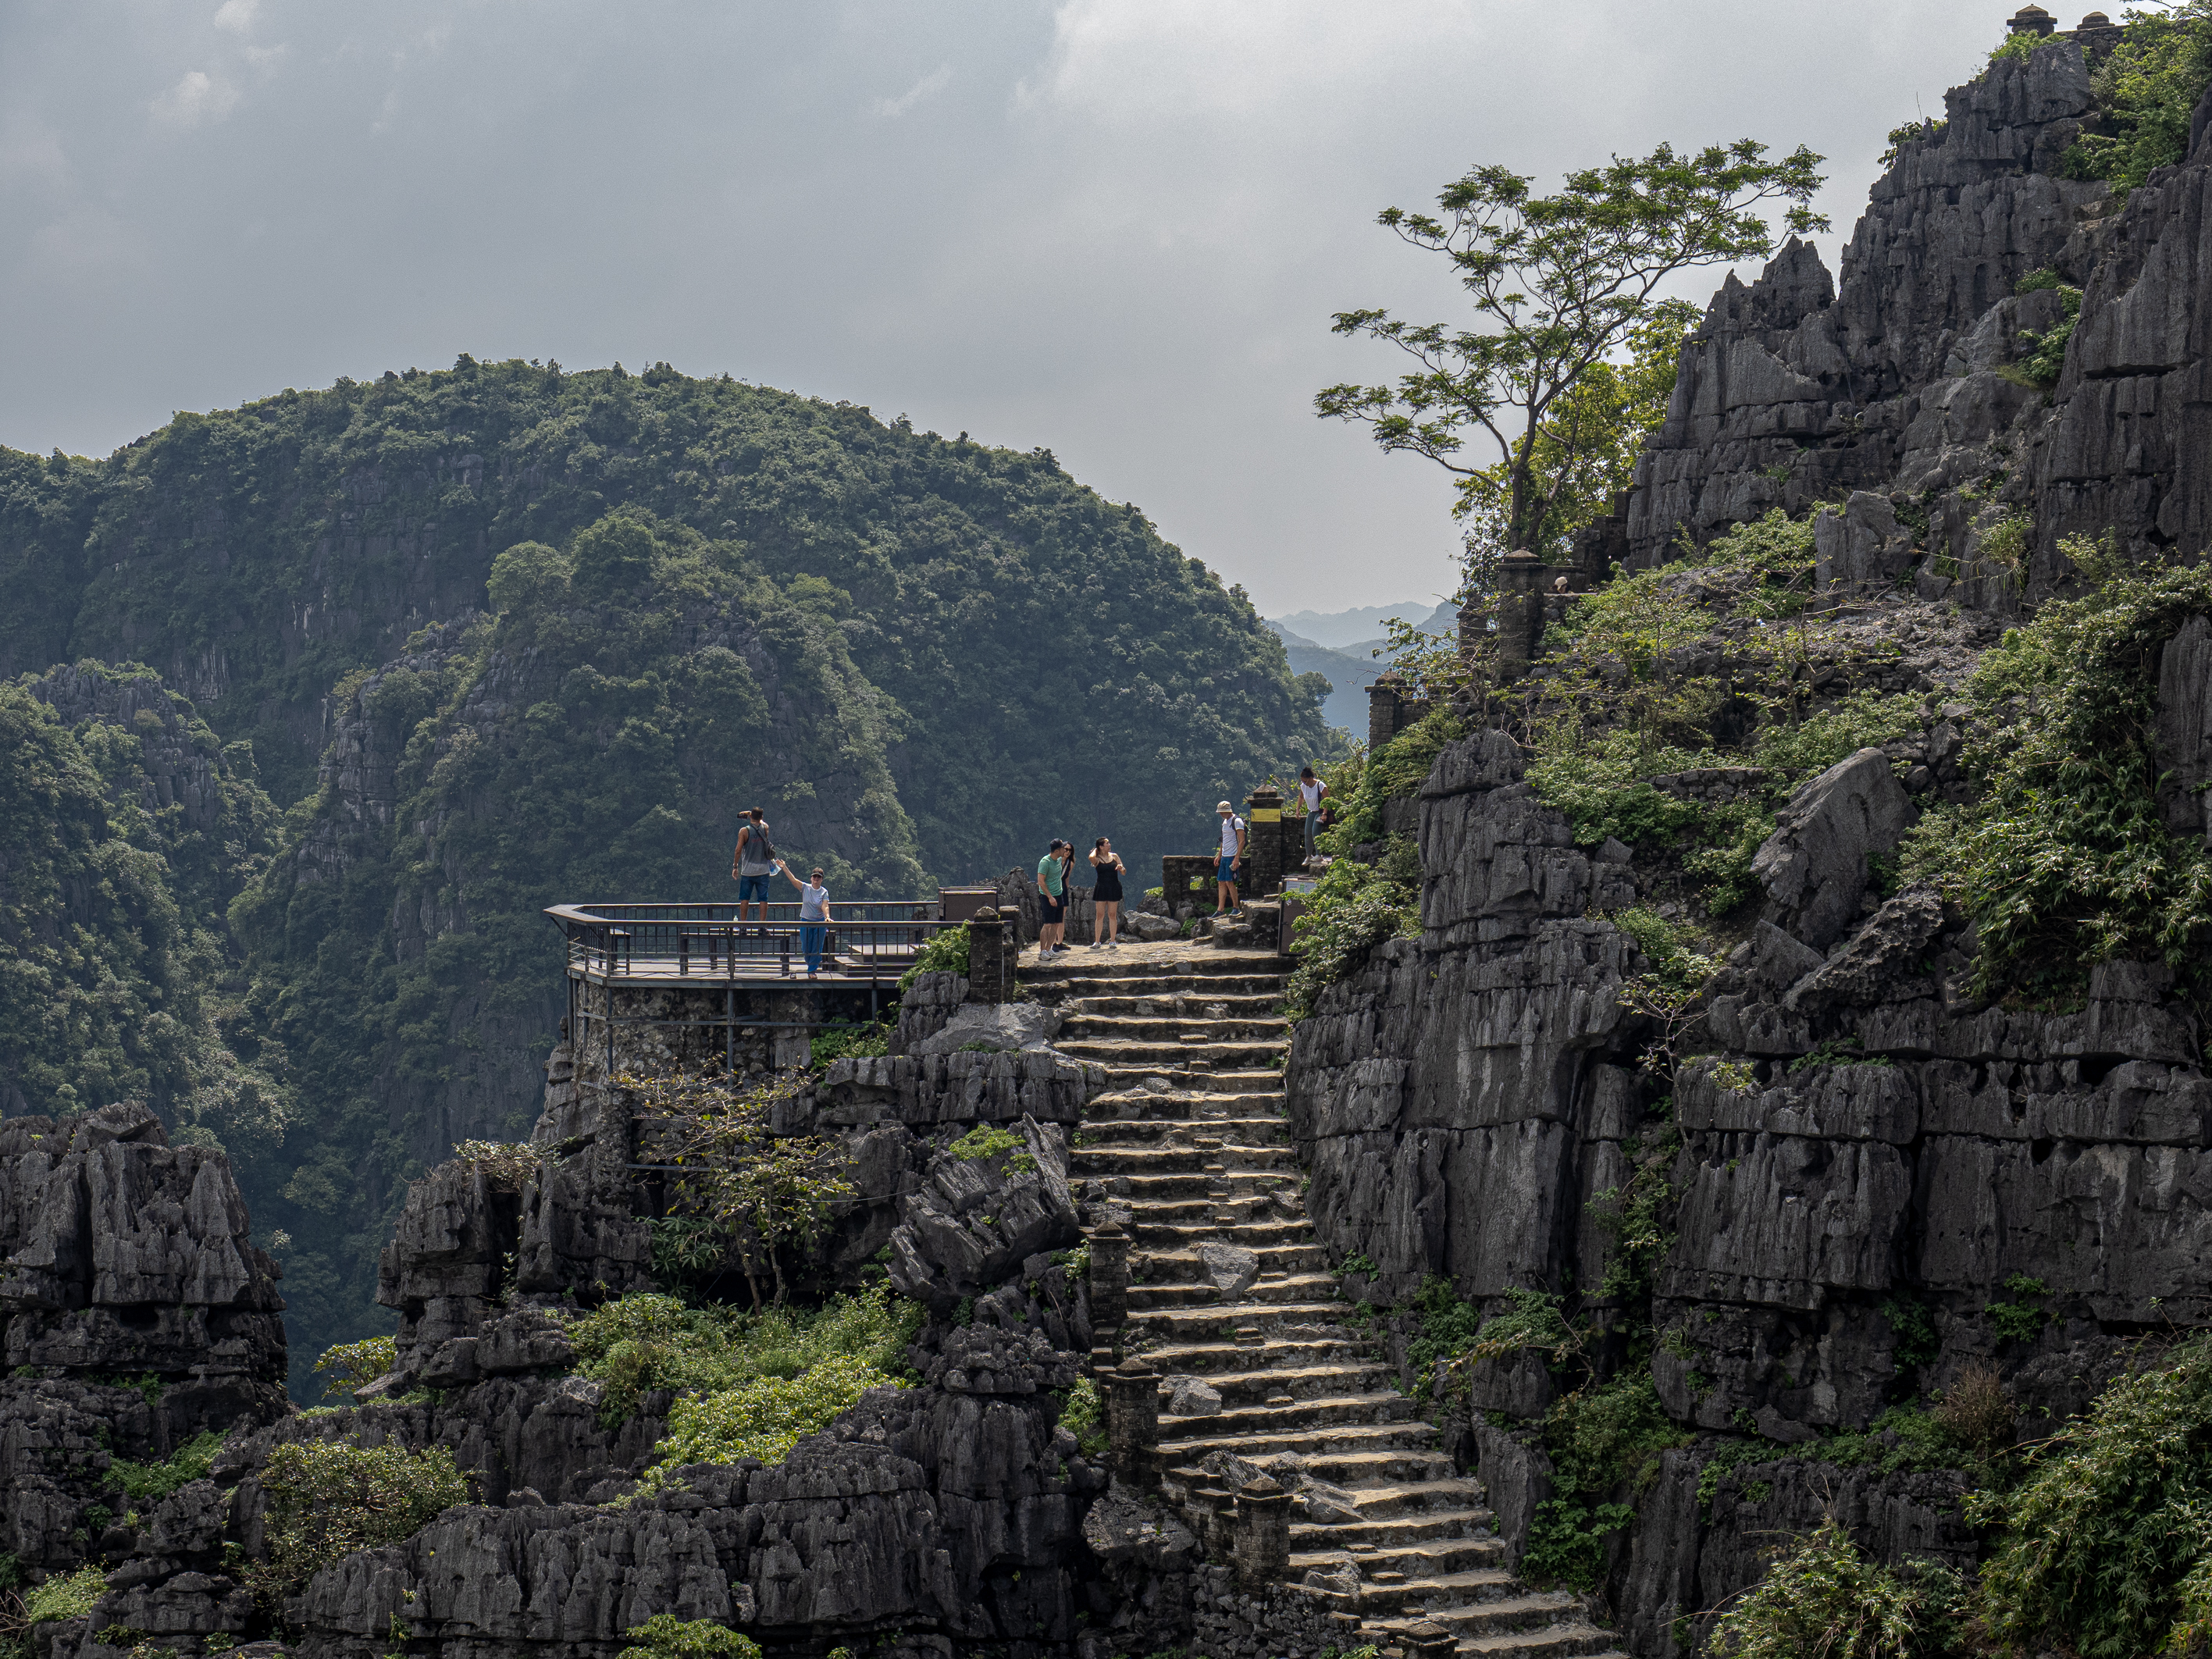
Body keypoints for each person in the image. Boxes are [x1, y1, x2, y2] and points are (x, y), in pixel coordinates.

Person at [780, 862, 832, 977]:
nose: (816, 879)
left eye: (819, 877)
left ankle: (812, 971)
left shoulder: (824, 892)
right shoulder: (805, 888)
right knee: (806, 948)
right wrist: (784, 868)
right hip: (806, 920)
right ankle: (811, 965)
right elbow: (793, 880)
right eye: (815, 876)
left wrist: (827, 917)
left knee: (816, 947)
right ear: (811, 878)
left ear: (822, 879)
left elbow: (825, 905)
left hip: (819, 922)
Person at [731, 809, 781, 922]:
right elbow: (762, 823)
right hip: (763, 870)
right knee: (763, 898)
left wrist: (735, 866)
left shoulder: (744, 831)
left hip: (748, 870)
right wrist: (753, 815)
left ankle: (743, 925)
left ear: (751, 816)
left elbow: (738, 850)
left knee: (744, 898)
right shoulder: (765, 829)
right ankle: (762, 925)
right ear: (761, 817)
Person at [1088, 836, 1127, 949]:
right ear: (1101, 847)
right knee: (1100, 915)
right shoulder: (1097, 859)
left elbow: (1124, 872)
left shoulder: (1114, 856)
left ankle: (1113, 940)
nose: (1109, 845)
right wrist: (1097, 850)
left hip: (1113, 887)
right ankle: (1097, 941)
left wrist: (1121, 868)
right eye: (1107, 844)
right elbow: (1090, 857)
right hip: (1101, 887)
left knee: (1112, 915)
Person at [1036, 838, 1073, 954]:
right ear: (1057, 850)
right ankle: (1042, 951)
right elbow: (1041, 882)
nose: (1065, 850)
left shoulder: (1058, 861)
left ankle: (1049, 949)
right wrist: (1050, 897)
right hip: (1047, 897)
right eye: (1063, 848)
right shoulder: (1045, 862)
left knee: (1057, 924)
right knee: (1047, 924)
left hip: (1059, 895)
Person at [1215, 799, 1246, 917]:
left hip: (1232, 856)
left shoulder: (1236, 821)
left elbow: (1242, 841)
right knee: (1221, 882)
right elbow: (1224, 840)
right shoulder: (1225, 822)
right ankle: (1220, 910)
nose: (1221, 814)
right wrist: (1219, 855)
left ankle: (1236, 908)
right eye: (1220, 812)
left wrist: (1237, 858)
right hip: (1224, 856)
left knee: (1230, 882)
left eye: (1223, 812)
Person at [1297, 766, 1329, 863]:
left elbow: (1327, 800)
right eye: (1303, 782)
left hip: (1319, 811)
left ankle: (1319, 854)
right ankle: (1309, 855)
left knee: (1315, 831)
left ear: (1311, 778)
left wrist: (1324, 813)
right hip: (1311, 811)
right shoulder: (1303, 787)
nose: (1304, 784)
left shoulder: (1321, 785)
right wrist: (1297, 810)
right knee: (1307, 833)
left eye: (1305, 781)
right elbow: (1301, 798)